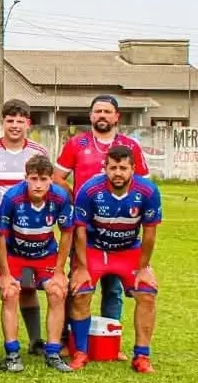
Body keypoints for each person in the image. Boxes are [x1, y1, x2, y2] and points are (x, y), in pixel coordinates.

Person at [54, 95, 149, 325]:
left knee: (114, 286)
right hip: (85, 228)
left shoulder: (130, 146)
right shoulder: (77, 143)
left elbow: (144, 183)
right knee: (79, 282)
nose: (102, 116)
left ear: (117, 117)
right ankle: (71, 338)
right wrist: (75, 198)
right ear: (91, 116)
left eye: (108, 112)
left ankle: (110, 336)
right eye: (98, 111)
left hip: (119, 227)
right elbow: (57, 177)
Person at [70, 145, 161, 373]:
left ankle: (141, 356)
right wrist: (81, 267)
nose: (117, 173)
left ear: (133, 169)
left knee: (147, 294)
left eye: (123, 168)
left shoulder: (148, 191)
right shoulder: (89, 190)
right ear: (105, 168)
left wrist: (143, 268)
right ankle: (81, 352)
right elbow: (79, 231)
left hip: (129, 250)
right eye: (113, 168)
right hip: (95, 248)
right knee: (81, 292)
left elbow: (149, 233)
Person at [0, 99, 51, 356]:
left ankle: (36, 340)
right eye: (10, 120)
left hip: (25, 234)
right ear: (2, 122)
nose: (15, 126)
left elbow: (46, 188)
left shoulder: (38, 152)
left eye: (20, 121)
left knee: (27, 286)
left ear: (28, 123)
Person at [0, 154, 74, 373]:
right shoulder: (12, 197)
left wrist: (59, 271)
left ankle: (52, 352)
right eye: (33, 179)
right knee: (10, 293)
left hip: (44, 255)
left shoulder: (59, 197)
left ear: (51, 179)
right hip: (16, 255)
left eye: (43, 179)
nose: (38, 185)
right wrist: (4, 273)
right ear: (25, 178)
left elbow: (67, 233)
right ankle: (12, 353)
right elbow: (0, 236)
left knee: (57, 292)